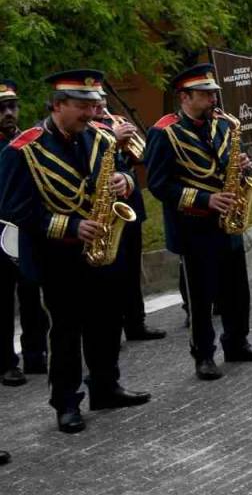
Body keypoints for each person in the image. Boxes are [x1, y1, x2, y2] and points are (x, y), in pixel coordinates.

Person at [0, 70, 151, 433]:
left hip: (102, 245)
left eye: (94, 104)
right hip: (58, 254)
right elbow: (13, 209)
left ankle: (106, 386)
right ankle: (66, 402)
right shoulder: (23, 149)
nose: (92, 112)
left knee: (107, 320)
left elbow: (125, 174)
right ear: (58, 105)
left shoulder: (101, 136)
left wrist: (125, 181)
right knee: (66, 329)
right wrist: (70, 226)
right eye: (83, 106)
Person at [147, 64, 252, 383]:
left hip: (228, 219)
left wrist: (242, 167)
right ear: (184, 97)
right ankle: (203, 355)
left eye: (213, 94)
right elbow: (159, 185)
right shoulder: (164, 132)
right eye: (205, 95)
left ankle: (237, 342)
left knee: (237, 288)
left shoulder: (223, 124)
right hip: (193, 225)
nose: (213, 99)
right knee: (201, 297)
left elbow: (227, 165)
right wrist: (205, 200)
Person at [93, 99, 165, 342]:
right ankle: (112, 329)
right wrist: (113, 140)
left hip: (130, 205)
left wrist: (124, 146)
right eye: (94, 101)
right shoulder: (86, 131)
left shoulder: (116, 121)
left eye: (102, 99)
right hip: (105, 211)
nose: (100, 105)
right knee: (111, 272)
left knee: (133, 269)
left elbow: (141, 157)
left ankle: (136, 323)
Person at [0, 79, 49, 388]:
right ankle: (6, 363)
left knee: (32, 293)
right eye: (2, 109)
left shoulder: (29, 142)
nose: (8, 113)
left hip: (27, 229)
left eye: (12, 107)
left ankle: (36, 353)